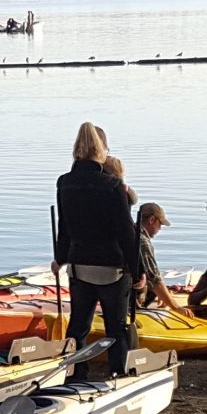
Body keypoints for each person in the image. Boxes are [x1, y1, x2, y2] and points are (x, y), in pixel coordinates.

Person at [53, 122, 141, 381]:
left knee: (78, 326)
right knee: (116, 328)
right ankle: (118, 374)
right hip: (112, 266)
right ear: (102, 149)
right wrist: (137, 270)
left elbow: (64, 226)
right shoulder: (113, 185)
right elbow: (126, 231)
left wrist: (61, 257)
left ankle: (74, 374)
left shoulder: (64, 183)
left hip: (79, 264)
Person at [134, 201, 192, 316]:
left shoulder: (129, 232)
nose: (159, 229)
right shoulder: (143, 242)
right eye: (159, 224)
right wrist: (176, 307)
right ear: (152, 220)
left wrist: (161, 295)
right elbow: (155, 279)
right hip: (131, 295)